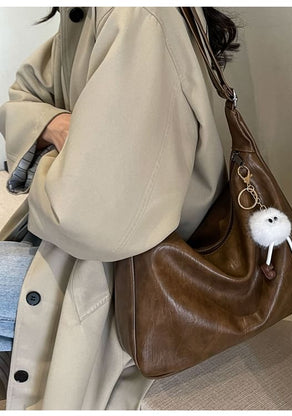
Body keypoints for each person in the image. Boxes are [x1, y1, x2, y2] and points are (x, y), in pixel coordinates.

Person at [0, 7, 240, 410]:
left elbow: (83, 219)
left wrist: (54, 153)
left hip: (119, 274)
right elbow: (24, 93)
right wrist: (56, 125)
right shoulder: (89, 14)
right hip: (87, 251)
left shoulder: (133, 15)